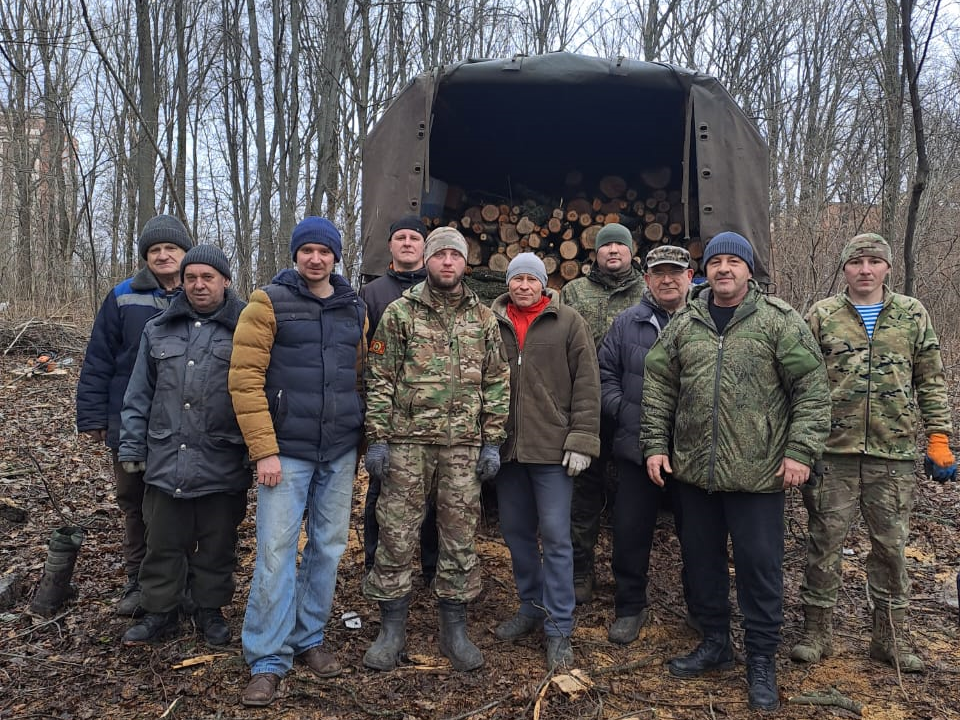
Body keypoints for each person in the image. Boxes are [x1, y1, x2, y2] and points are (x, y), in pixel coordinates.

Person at [642, 231, 830, 712]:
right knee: (701, 563)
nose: (724, 269)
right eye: (717, 261)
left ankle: (761, 659)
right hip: (694, 475)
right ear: (705, 271)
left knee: (759, 569)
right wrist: (655, 447)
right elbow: (660, 388)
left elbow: (811, 389)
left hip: (759, 474)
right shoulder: (686, 322)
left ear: (749, 269)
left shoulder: (778, 322)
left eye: (734, 261)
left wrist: (800, 452)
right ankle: (715, 643)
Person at [792, 233, 956, 673]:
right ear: (844, 269)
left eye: (874, 262)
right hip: (832, 452)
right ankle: (816, 632)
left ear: (887, 268)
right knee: (824, 544)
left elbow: (932, 380)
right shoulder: (822, 315)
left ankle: (890, 637)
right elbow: (802, 382)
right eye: (856, 262)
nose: (865, 270)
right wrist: (799, 445)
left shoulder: (911, 314)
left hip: (894, 453)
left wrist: (938, 437)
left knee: (891, 547)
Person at [229, 217, 367, 707]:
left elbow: (359, 376)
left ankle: (309, 637)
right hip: (285, 453)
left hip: (338, 450)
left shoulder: (354, 306)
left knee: (327, 548)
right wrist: (264, 449)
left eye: (324, 251)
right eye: (306, 250)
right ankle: (267, 658)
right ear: (295, 255)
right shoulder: (267, 303)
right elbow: (245, 380)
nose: (315, 258)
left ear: (335, 257)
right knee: (275, 551)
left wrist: (362, 439)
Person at [361, 226, 510, 673]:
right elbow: (380, 378)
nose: (447, 262)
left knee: (461, 535)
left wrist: (492, 441)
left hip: (463, 446)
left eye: (455, 256)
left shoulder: (483, 318)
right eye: (439, 254)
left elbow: (497, 381)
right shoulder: (400, 313)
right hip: (408, 443)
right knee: (396, 532)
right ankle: (391, 627)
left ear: (466, 264)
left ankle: (454, 628)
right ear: (426, 261)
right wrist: (378, 439)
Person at [118, 245, 248, 647]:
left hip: (222, 459)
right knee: (163, 541)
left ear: (226, 281)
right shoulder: (158, 328)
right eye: (191, 277)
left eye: (208, 277)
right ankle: (160, 611)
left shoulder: (246, 329)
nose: (198, 285)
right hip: (166, 457)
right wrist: (131, 449)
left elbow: (262, 393)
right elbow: (138, 395)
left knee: (217, 542)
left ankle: (210, 609)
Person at [76, 214, 193, 616]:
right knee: (134, 501)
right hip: (130, 422)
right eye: (154, 250)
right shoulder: (123, 296)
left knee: (178, 501)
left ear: (184, 253)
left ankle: (182, 579)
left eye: (170, 248)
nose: (162, 255)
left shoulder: (199, 292)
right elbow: (99, 359)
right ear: (145, 257)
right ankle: (136, 580)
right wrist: (92, 417)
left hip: (183, 424)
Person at [490, 253, 600, 670]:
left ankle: (558, 626)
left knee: (555, 537)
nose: (522, 286)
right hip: (508, 450)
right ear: (508, 284)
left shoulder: (568, 322)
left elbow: (588, 383)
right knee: (516, 533)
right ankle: (530, 606)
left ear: (543, 283)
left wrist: (582, 440)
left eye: (530, 279)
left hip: (553, 450)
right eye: (515, 279)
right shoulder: (492, 321)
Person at [598, 245, 693, 645]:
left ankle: (701, 610)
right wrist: (626, 411)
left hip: (692, 451)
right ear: (647, 279)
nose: (667, 279)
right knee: (630, 531)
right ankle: (630, 606)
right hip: (637, 448)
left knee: (699, 537)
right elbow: (604, 375)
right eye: (659, 273)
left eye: (676, 272)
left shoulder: (707, 321)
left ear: (690, 277)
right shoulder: (627, 323)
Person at [559, 222, 645, 604]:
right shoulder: (574, 292)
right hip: (585, 407)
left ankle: (629, 579)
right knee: (583, 493)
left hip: (633, 408)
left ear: (631, 252)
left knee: (632, 497)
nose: (613, 251)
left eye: (620, 246)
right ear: (595, 253)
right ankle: (581, 571)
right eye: (606, 245)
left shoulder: (649, 291)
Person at [359, 216, 438, 584]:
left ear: (425, 247)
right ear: (390, 246)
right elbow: (363, 357)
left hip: (435, 416)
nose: (407, 243)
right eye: (400, 237)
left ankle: (432, 567)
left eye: (414, 238)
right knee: (381, 492)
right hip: (389, 415)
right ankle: (375, 561)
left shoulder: (443, 286)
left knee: (435, 498)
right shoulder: (371, 294)